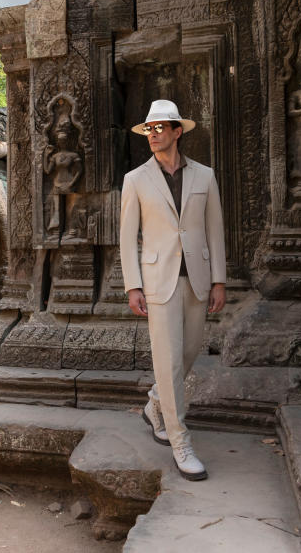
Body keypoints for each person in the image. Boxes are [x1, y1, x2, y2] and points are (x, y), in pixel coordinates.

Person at [119, 99, 227, 481]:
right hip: (157, 281)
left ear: (177, 131)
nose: (154, 134)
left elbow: (214, 230)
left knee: (189, 352)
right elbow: (127, 236)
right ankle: (181, 442)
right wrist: (133, 285)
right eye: (149, 129)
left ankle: (155, 404)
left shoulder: (205, 176)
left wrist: (219, 279)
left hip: (197, 277)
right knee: (168, 360)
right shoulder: (135, 180)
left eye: (161, 128)